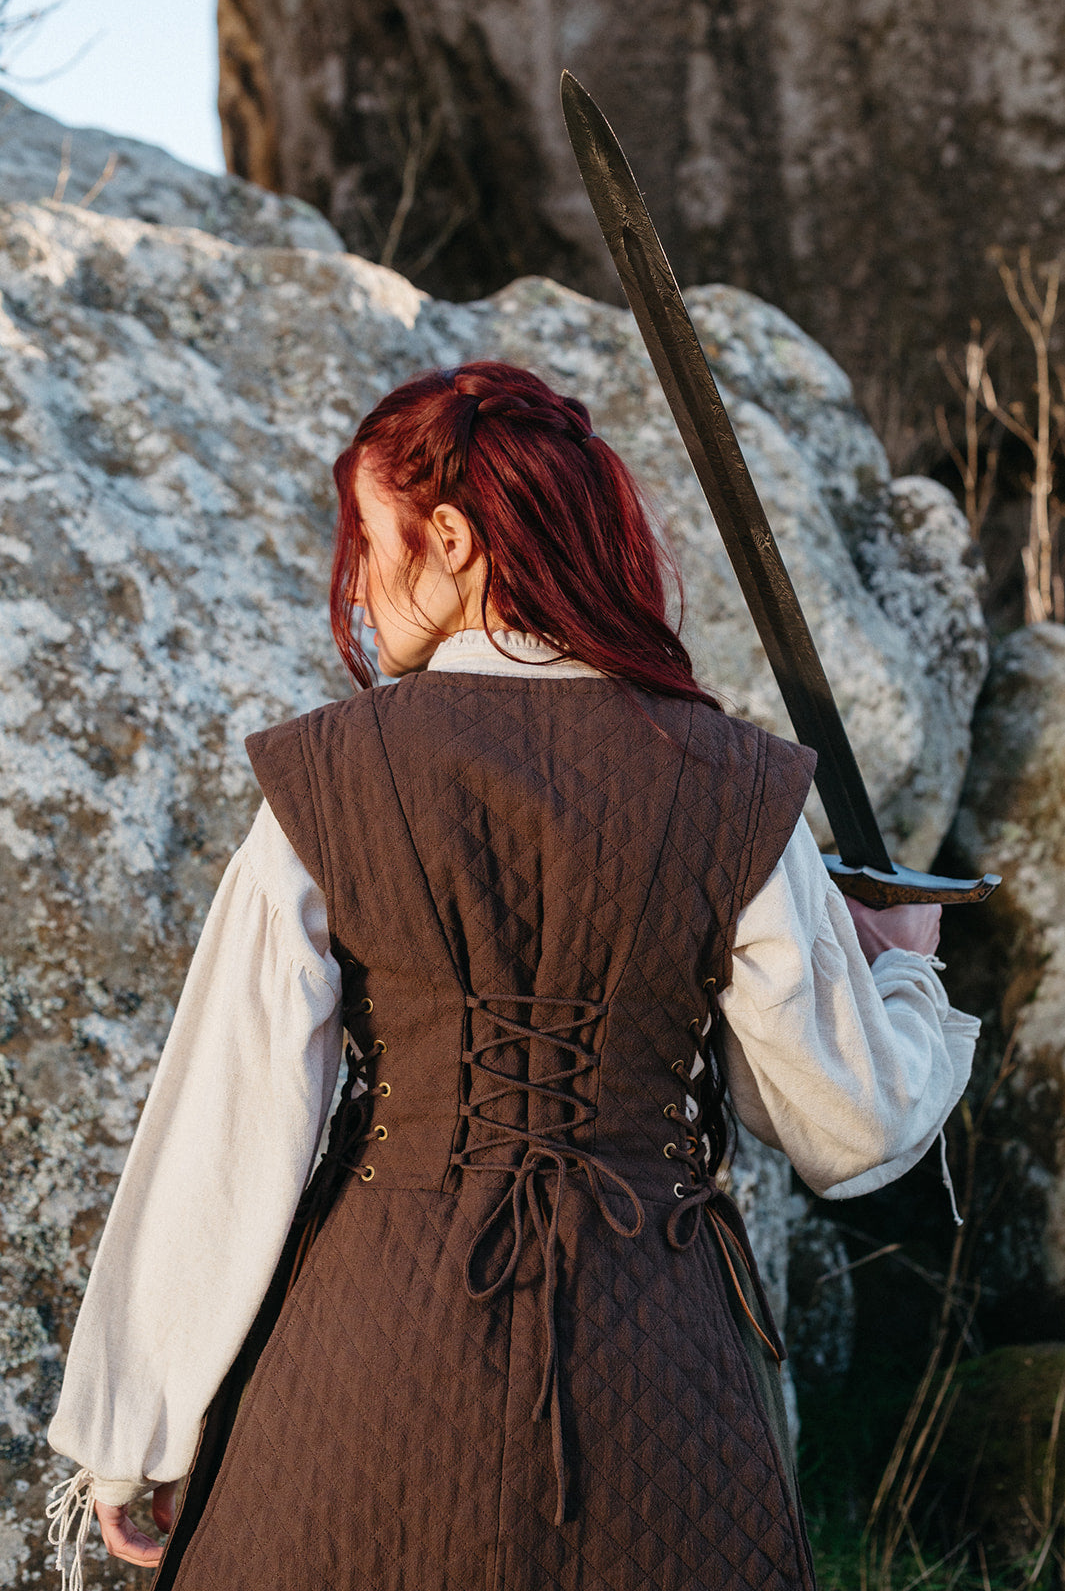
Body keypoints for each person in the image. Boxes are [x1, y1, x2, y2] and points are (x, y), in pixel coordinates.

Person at [45, 361, 978, 1591]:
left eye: (366, 541)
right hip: (657, 1367)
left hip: (372, 1350)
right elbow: (849, 1123)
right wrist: (901, 975)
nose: (357, 586)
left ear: (450, 538)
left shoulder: (334, 781)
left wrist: (135, 1434)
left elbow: (232, 1120)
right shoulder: (737, 785)